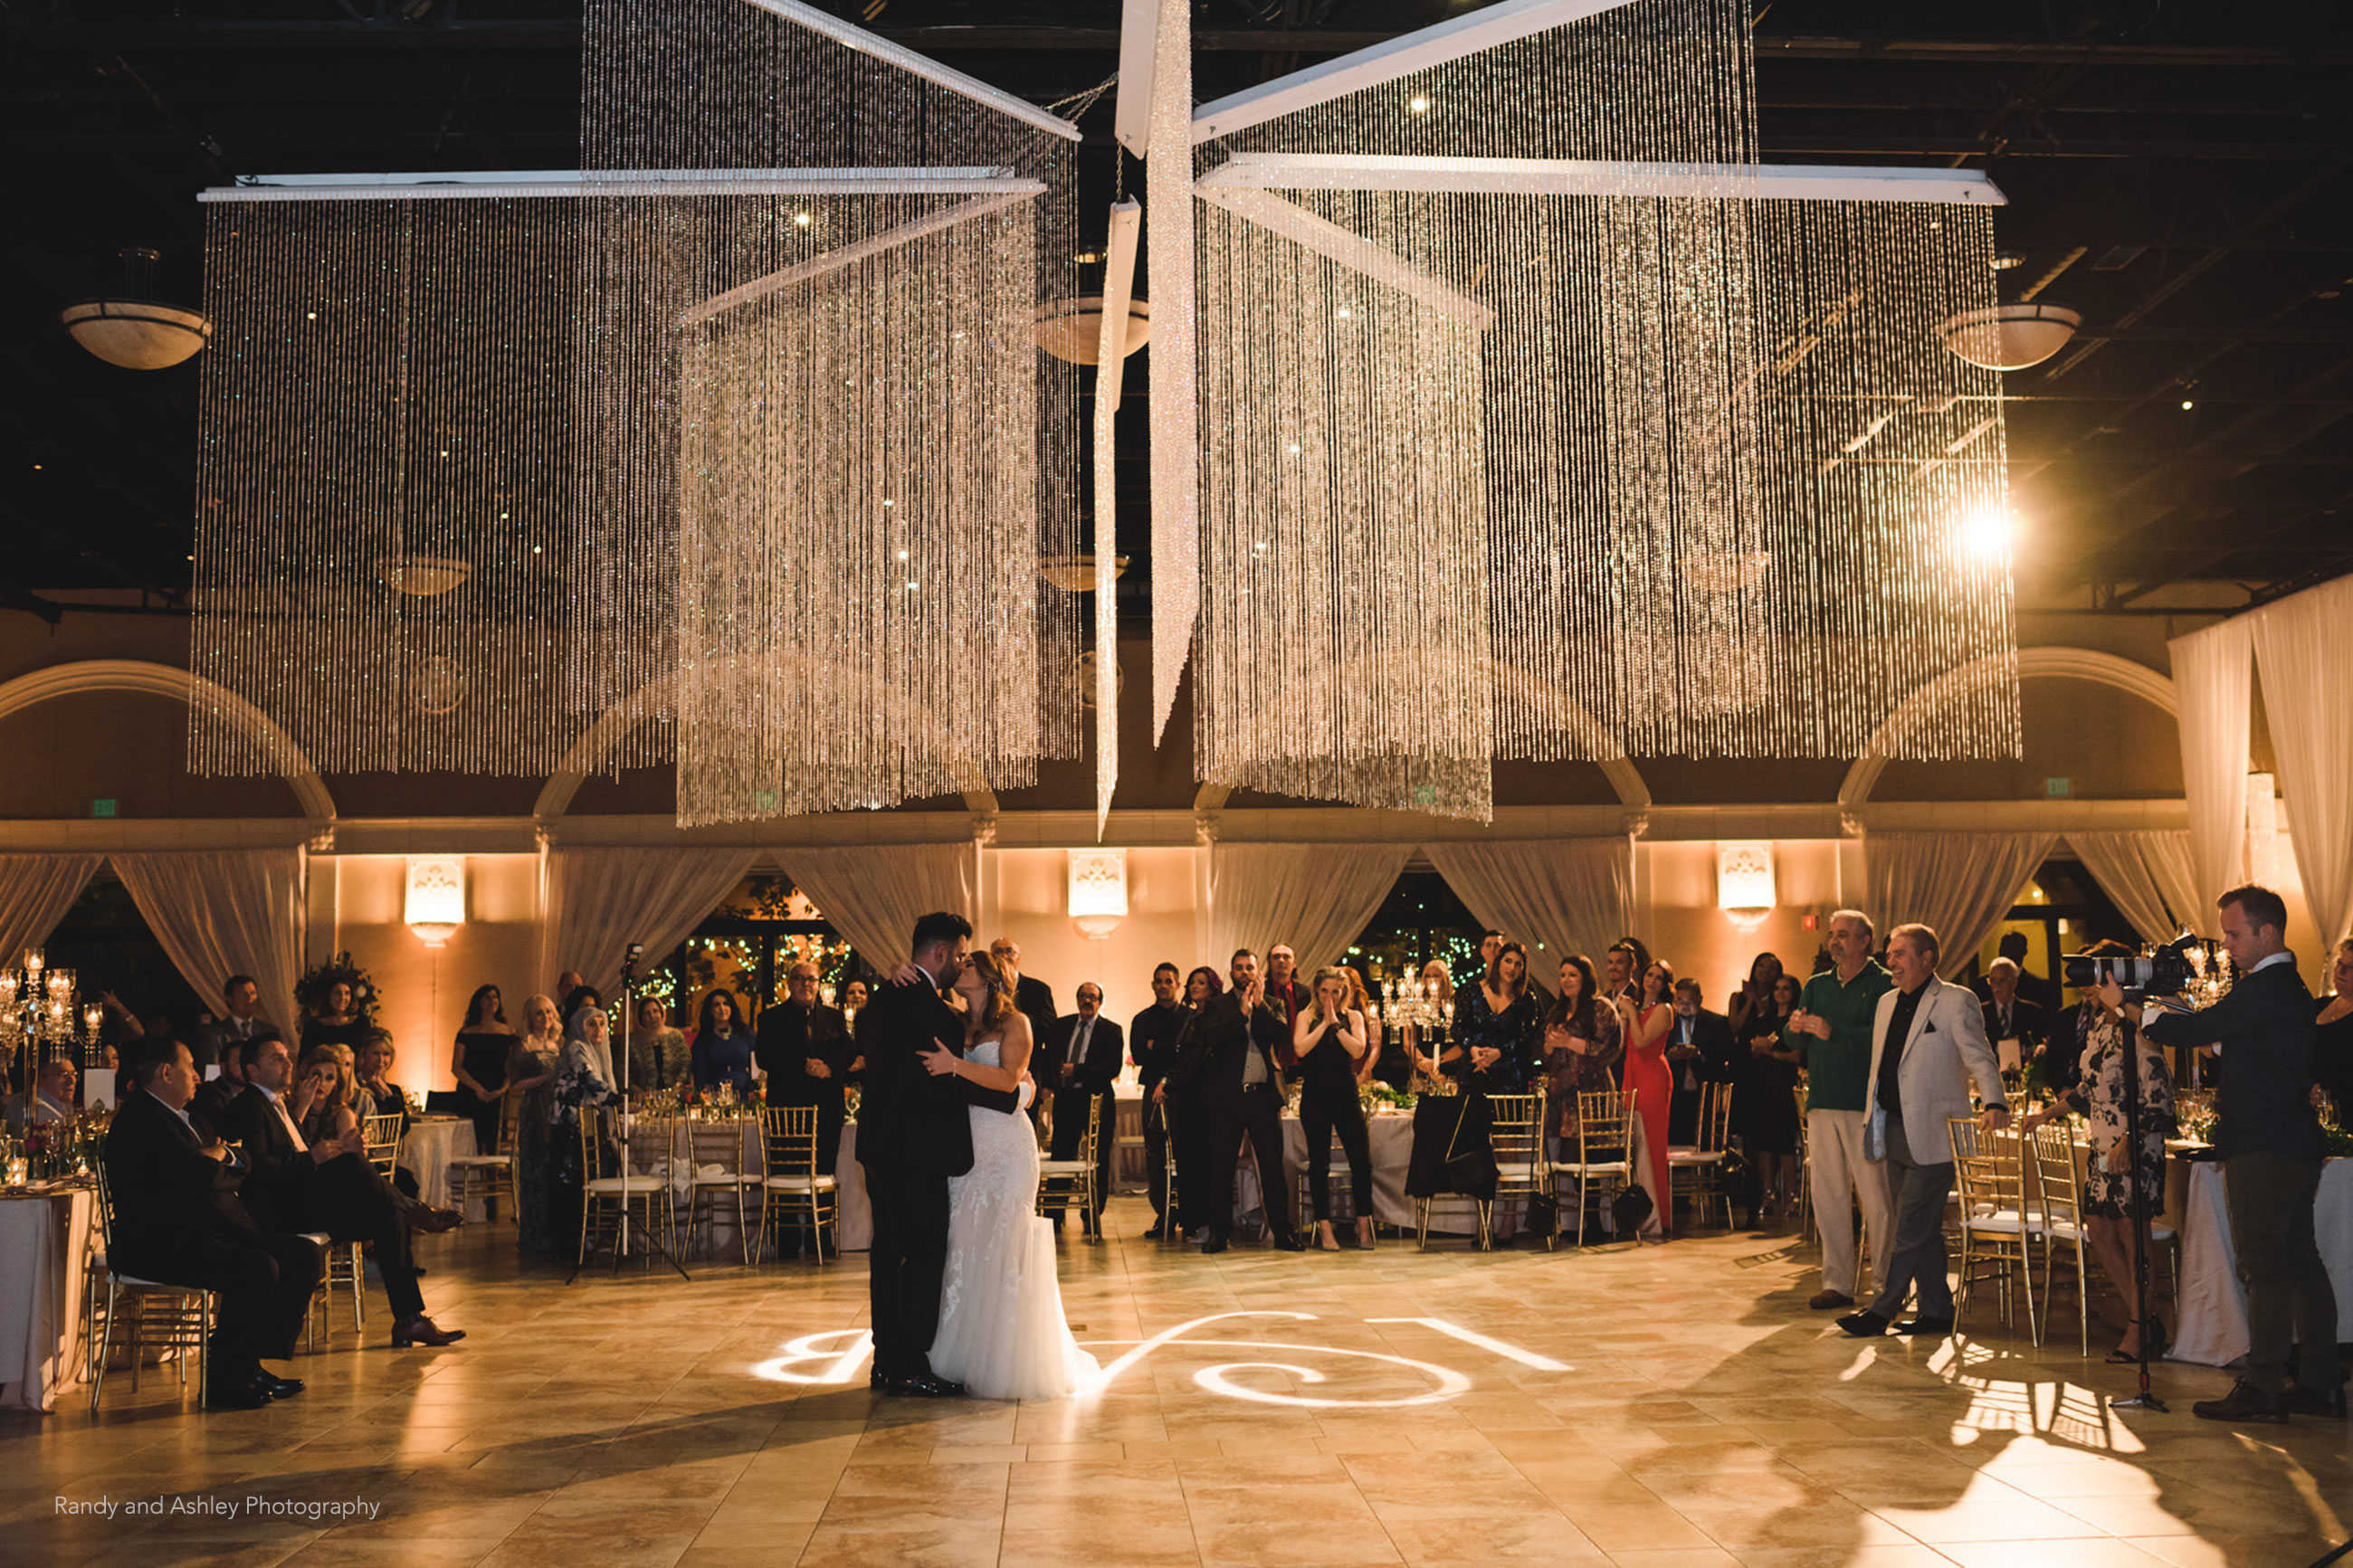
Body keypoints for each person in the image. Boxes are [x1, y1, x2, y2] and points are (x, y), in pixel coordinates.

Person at [2139, 885, 2342, 1423]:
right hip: (2289, 1143)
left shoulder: (2266, 986)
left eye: (2233, 934)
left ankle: (2264, 1386)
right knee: (2300, 1261)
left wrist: (2140, 1009)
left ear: (2266, 932)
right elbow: (2244, 1044)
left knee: (2265, 1267)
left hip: (2265, 1146)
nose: (2226, 945)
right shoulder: (2282, 988)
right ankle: (2321, 1382)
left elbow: (2193, 1031)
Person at [859, 911, 1031, 1398]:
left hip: (881, 1150)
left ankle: (885, 1360)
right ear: (940, 955)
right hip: (921, 1156)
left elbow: (869, 1040)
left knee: (888, 1254)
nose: (961, 964)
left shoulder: (882, 1001)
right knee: (924, 1258)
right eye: (958, 955)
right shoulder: (936, 1015)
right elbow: (943, 1082)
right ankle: (910, 1364)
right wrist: (1019, 1097)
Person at [917, 949, 1099, 1401]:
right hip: (967, 1141)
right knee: (965, 1239)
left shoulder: (1017, 1022)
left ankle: (1007, 1356)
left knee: (1004, 1242)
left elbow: (1007, 1079)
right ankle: (961, 1351)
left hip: (1007, 1146)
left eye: (968, 966)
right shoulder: (958, 1022)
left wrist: (956, 1065)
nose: (959, 970)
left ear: (990, 977)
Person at [103, 1039, 320, 1409]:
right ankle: (227, 1382)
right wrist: (218, 1157)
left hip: (199, 1230)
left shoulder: (180, 1117)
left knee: (302, 1253)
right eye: (189, 1068)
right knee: (256, 1267)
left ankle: (251, 1362)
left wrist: (218, 1157)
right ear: (165, 1072)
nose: (197, 1079)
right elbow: (197, 1175)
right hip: (156, 1242)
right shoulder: (141, 1119)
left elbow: (236, 1164)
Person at [222, 1035, 463, 1347]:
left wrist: (322, 1153)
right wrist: (315, 1157)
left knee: (389, 1215)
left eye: (287, 1056)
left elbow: (289, 1157)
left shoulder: (276, 1104)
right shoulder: (249, 1106)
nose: (288, 1063)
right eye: (276, 1058)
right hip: (279, 1210)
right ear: (253, 1070)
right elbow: (259, 1170)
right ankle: (417, 1211)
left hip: (302, 1200)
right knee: (352, 1165)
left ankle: (410, 1320)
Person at [1838, 924, 2008, 1339]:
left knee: (1908, 1226)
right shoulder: (1885, 1004)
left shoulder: (1954, 1001)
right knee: (1921, 1226)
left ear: (1928, 958)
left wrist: (1995, 1101)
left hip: (1938, 1132)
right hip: (1892, 1127)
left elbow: (1980, 1057)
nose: (1890, 962)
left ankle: (1883, 1308)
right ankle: (1935, 1309)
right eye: (1890, 954)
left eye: (1900, 954)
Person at [2019, 974, 2176, 1361]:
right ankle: (2146, 1318)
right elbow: (2090, 1091)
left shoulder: (2137, 1026)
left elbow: (2160, 1100)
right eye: (2086, 989)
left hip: (2135, 1145)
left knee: (2131, 1234)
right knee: (2099, 1231)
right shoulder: (2098, 1028)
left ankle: (2139, 1330)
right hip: (2101, 1143)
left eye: (2094, 986)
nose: (2087, 994)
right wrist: (2048, 1114)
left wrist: (2130, 1141)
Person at [1785, 909, 1896, 1311]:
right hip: (1822, 1101)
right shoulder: (1816, 985)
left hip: (1865, 1104)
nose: (1836, 941)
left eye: (1845, 935)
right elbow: (1789, 1037)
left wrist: (1836, 1032)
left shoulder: (1884, 983)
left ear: (1866, 941)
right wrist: (1794, 1024)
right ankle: (1837, 1282)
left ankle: (1886, 1283)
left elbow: (1885, 1039)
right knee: (1828, 1193)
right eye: (1833, 935)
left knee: (1876, 1198)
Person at [1168, 949, 1302, 1255]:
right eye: (1239, 968)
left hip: (1263, 1098)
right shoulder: (1217, 1006)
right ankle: (1219, 1233)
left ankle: (1283, 1232)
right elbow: (1209, 1038)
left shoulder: (1273, 1004)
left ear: (1258, 971)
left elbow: (1280, 1036)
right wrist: (1240, 1014)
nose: (1245, 973)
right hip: (1226, 1100)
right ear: (1231, 973)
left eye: (1250, 968)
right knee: (1221, 1168)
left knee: (1272, 1167)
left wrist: (1259, 1007)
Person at [1292, 967, 1376, 1250]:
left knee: (1361, 1160)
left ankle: (1364, 1225)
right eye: (1325, 991)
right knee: (1319, 1162)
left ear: (1344, 992)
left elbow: (1357, 1050)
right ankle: (1324, 1227)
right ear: (1316, 990)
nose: (1330, 996)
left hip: (1345, 1092)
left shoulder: (1353, 1016)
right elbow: (1300, 1048)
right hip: (1315, 1093)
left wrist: (1336, 1025)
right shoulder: (1306, 1016)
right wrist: (1324, 1023)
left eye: (1335, 991)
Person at [756, 961, 853, 1178]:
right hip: (787, 1112)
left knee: (824, 1177)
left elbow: (848, 1052)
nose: (805, 984)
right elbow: (764, 1057)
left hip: (827, 1111)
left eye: (811, 979)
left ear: (818, 984)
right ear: (789, 984)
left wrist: (829, 1067)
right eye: (799, 978)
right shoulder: (770, 1018)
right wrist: (803, 1066)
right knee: (784, 1176)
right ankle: (784, 1215)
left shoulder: (834, 1017)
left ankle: (823, 1214)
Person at [1039, 982, 1121, 1233]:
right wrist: (1052, 1081)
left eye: (1093, 997)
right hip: (1066, 1100)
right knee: (1062, 1153)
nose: (1088, 1001)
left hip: (1097, 1099)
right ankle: (1055, 1214)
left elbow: (1112, 1068)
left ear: (1100, 1002)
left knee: (1099, 1159)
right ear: (1077, 999)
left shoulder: (1111, 1030)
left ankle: (1092, 1212)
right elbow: (1049, 1058)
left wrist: (1078, 1070)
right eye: (1083, 996)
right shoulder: (1061, 1026)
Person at [1734, 973, 1804, 1223]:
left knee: (1784, 1143)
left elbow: (1796, 1056)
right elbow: (1753, 1049)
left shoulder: (1796, 1021)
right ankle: (1768, 1193)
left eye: (1786, 988)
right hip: (1763, 1085)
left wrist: (1771, 1052)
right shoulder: (1765, 1019)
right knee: (1764, 1143)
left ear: (1794, 992)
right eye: (1777, 988)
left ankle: (1792, 1195)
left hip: (1785, 1085)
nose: (1781, 993)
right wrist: (1760, 1048)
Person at [1165, 965, 1225, 1243]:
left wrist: (1169, 1083)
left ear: (1212, 986)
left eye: (1200, 982)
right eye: (1191, 983)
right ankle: (1192, 1222)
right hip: (1186, 1098)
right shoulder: (1191, 1017)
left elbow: (1198, 1058)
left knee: (1203, 1163)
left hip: (1204, 1098)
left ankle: (1207, 1224)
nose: (1194, 987)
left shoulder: (1213, 1016)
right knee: (1187, 1163)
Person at [1130, 963, 1189, 1239]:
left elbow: (1188, 1056)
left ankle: (1189, 1215)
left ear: (1178, 985)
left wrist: (1158, 1045)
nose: (1164, 986)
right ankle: (1163, 1215)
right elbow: (1140, 1056)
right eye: (1159, 981)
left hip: (1185, 1093)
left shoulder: (1190, 1017)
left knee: (1185, 1154)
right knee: (1155, 1155)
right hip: (1152, 1093)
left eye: (1169, 981)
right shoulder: (1142, 1020)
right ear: (1152, 985)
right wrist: (1170, 1047)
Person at [1619, 961, 1676, 1238]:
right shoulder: (1639, 1009)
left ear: (1666, 984)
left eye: (1659, 978)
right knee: (1635, 1145)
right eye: (1650, 975)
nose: (1652, 981)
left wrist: (1630, 1011)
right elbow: (1624, 1045)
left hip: (1652, 1077)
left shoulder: (1663, 1010)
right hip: (1632, 1075)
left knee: (1651, 1145)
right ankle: (1636, 1214)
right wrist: (1627, 1014)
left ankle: (1655, 1218)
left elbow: (1642, 1043)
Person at [507, 994, 565, 1256]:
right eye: (539, 1013)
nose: (545, 1018)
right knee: (534, 1171)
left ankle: (557, 1234)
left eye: (549, 1012)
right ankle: (534, 1236)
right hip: (534, 1111)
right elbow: (514, 1086)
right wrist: (544, 1078)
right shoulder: (523, 1046)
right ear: (530, 1017)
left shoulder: (560, 1044)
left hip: (559, 1111)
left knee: (557, 1169)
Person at [1447, 942, 1542, 1093]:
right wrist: (1472, 1048)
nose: (1512, 968)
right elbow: (1457, 1029)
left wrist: (1500, 1053)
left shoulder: (1527, 999)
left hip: (1510, 1080)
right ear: (1499, 962)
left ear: (1523, 969)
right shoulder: (1473, 990)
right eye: (1508, 961)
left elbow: (1529, 1039)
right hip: (1474, 1072)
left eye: (1518, 964)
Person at [1665, 977, 1734, 1147]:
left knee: (1705, 1142)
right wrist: (1669, 1055)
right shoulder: (1666, 1022)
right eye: (1680, 1000)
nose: (1685, 1005)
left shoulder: (1717, 1022)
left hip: (1705, 1092)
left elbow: (1728, 1053)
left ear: (1700, 999)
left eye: (1690, 1000)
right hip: (1673, 1093)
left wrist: (1699, 1053)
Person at [450, 984, 514, 1155]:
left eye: (495, 997)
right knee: (471, 1143)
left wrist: (502, 1089)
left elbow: (512, 1066)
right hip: (470, 1091)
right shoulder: (466, 1032)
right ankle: (472, 1180)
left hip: (497, 1092)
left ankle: (492, 1182)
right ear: (478, 1002)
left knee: (495, 1142)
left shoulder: (508, 1032)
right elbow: (456, 1067)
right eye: (487, 997)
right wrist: (478, 1088)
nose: (492, 1001)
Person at [989, 937, 1059, 1059]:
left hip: (1030, 1060)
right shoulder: (986, 988)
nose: (1004, 956)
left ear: (1019, 957)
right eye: (998, 952)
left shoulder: (1039, 989)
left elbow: (1049, 1029)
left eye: (1009, 951)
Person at [1979, 957, 2047, 1076]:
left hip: (2026, 1078)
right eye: (1993, 980)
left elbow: (2041, 1043)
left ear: (2014, 982)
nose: (1996, 986)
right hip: (1990, 1077)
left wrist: (2041, 1048)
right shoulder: (1979, 1013)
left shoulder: (2033, 1012)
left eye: (2002, 980)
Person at [2310, 937, 2353, 1119]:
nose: (2340, 971)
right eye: (2339, 963)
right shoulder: (2317, 1005)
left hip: (2340, 1116)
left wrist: (2325, 1090)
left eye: (2350, 967)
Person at [195, 974, 272, 1072]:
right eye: (244, 994)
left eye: (253, 993)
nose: (250, 998)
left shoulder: (269, 1031)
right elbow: (212, 1074)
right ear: (229, 999)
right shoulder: (215, 1033)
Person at [691, 989, 757, 1098]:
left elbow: (756, 1066)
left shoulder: (745, 1033)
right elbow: (699, 1075)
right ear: (710, 1010)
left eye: (726, 1004)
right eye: (716, 1005)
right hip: (715, 1096)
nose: (722, 1008)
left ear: (731, 1007)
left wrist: (755, 1090)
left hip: (745, 1093)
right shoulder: (703, 1040)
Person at [291, 1046, 359, 1148]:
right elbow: (286, 1144)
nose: (322, 1083)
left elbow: (347, 1156)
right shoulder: (290, 1107)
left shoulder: (343, 1115)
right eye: (316, 1075)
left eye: (329, 1078)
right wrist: (303, 1106)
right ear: (305, 1076)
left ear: (336, 1084)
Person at [190, 1031, 255, 1138]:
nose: (245, 1067)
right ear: (223, 1067)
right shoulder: (208, 1093)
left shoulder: (253, 1093)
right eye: (238, 1062)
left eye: (248, 1062)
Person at [627, 996, 692, 1098]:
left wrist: (677, 1087)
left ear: (662, 1012)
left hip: (675, 1097)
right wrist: (640, 1093)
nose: (652, 1016)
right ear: (640, 1017)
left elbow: (685, 1065)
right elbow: (624, 1074)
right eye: (647, 1013)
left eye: (655, 1011)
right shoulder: (632, 1042)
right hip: (643, 1100)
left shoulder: (675, 1036)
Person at [5, 1055, 76, 1133]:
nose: (72, 1081)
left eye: (74, 1074)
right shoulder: (34, 1110)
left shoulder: (63, 1108)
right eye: (64, 1075)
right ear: (40, 1078)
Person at [300, 979, 368, 1055]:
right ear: (329, 996)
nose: (343, 997)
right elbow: (304, 1058)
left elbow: (366, 1055)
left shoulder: (361, 1023)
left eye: (347, 993)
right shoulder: (312, 1026)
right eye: (338, 993)